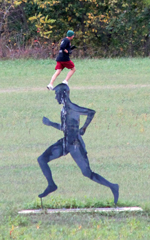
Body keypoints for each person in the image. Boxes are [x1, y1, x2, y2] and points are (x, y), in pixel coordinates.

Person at [37, 83, 119, 204]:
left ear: (63, 94)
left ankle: (113, 186)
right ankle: (51, 184)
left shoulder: (72, 107)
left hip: (75, 144)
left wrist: (84, 128)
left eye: (57, 94)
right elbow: (65, 128)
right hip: (66, 142)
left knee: (87, 173)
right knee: (41, 159)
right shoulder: (64, 108)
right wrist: (50, 123)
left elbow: (91, 112)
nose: (56, 98)